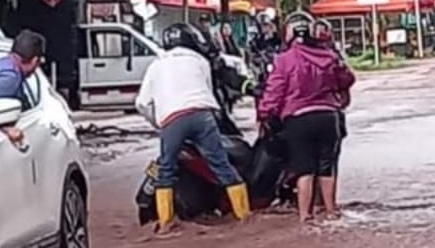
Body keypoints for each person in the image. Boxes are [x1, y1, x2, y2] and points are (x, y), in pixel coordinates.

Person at [135, 23, 251, 235]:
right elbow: (207, 90)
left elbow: (142, 103)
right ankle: (244, 216)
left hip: (172, 121)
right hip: (203, 117)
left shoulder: (156, 65)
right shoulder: (200, 61)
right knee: (223, 166)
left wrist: (159, 122)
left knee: (166, 172)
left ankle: (166, 223)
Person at [258, 20, 355, 224]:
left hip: (298, 119)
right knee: (326, 167)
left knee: (304, 169)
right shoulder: (329, 57)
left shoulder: (284, 60)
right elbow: (347, 79)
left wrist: (265, 114)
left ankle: (305, 217)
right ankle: (331, 212)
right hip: (329, 118)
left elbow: (274, 92)